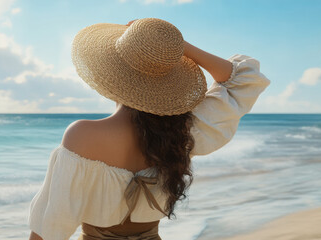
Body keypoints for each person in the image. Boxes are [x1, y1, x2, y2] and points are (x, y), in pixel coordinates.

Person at [28, 18, 270, 240]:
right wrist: (180, 47)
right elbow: (243, 80)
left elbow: (52, 224)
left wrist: (169, 45)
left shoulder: (82, 135)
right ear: (170, 83)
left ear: (110, 74)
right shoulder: (179, 134)